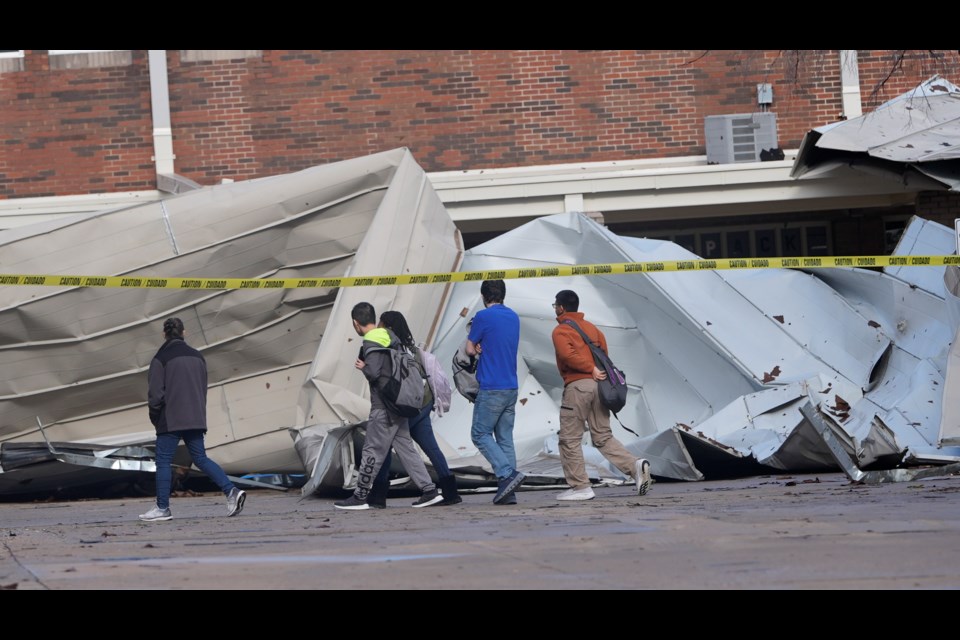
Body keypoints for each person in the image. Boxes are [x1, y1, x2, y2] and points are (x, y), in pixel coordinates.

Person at [334, 302, 444, 510]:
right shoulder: (391, 338)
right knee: (407, 451)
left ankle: (359, 496)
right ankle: (430, 491)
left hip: (383, 407)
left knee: (372, 450)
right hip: (398, 405)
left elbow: (375, 373)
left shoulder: (370, 341)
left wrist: (364, 368)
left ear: (356, 323)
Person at [139, 317, 246, 522]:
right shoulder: (198, 357)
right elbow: (202, 389)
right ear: (184, 332)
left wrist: (156, 418)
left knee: (163, 461)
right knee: (200, 458)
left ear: (164, 334)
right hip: (195, 417)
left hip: (170, 418)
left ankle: (162, 508)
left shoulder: (160, 359)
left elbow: (155, 396)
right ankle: (231, 491)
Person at [550, 290, 652, 501]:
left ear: (560, 308)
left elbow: (567, 355)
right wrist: (595, 370)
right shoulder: (593, 330)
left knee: (569, 438)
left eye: (555, 306)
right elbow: (604, 355)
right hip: (600, 388)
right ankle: (634, 466)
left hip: (578, 387)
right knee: (603, 436)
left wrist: (588, 368)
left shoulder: (561, 331)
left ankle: (580, 487)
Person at [366, 311, 462, 508]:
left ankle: (377, 496)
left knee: (385, 445)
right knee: (431, 447)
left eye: (381, 324)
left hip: (406, 407)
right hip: (424, 403)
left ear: (387, 327)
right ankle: (451, 492)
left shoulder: (391, 349)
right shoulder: (412, 349)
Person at [467, 280, 525, 505]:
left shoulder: (483, 316)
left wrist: (477, 347)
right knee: (505, 438)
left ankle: (506, 474)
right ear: (503, 295)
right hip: (511, 385)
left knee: (479, 434)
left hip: (492, 386)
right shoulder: (513, 317)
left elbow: (469, 348)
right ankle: (508, 492)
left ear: (484, 296)